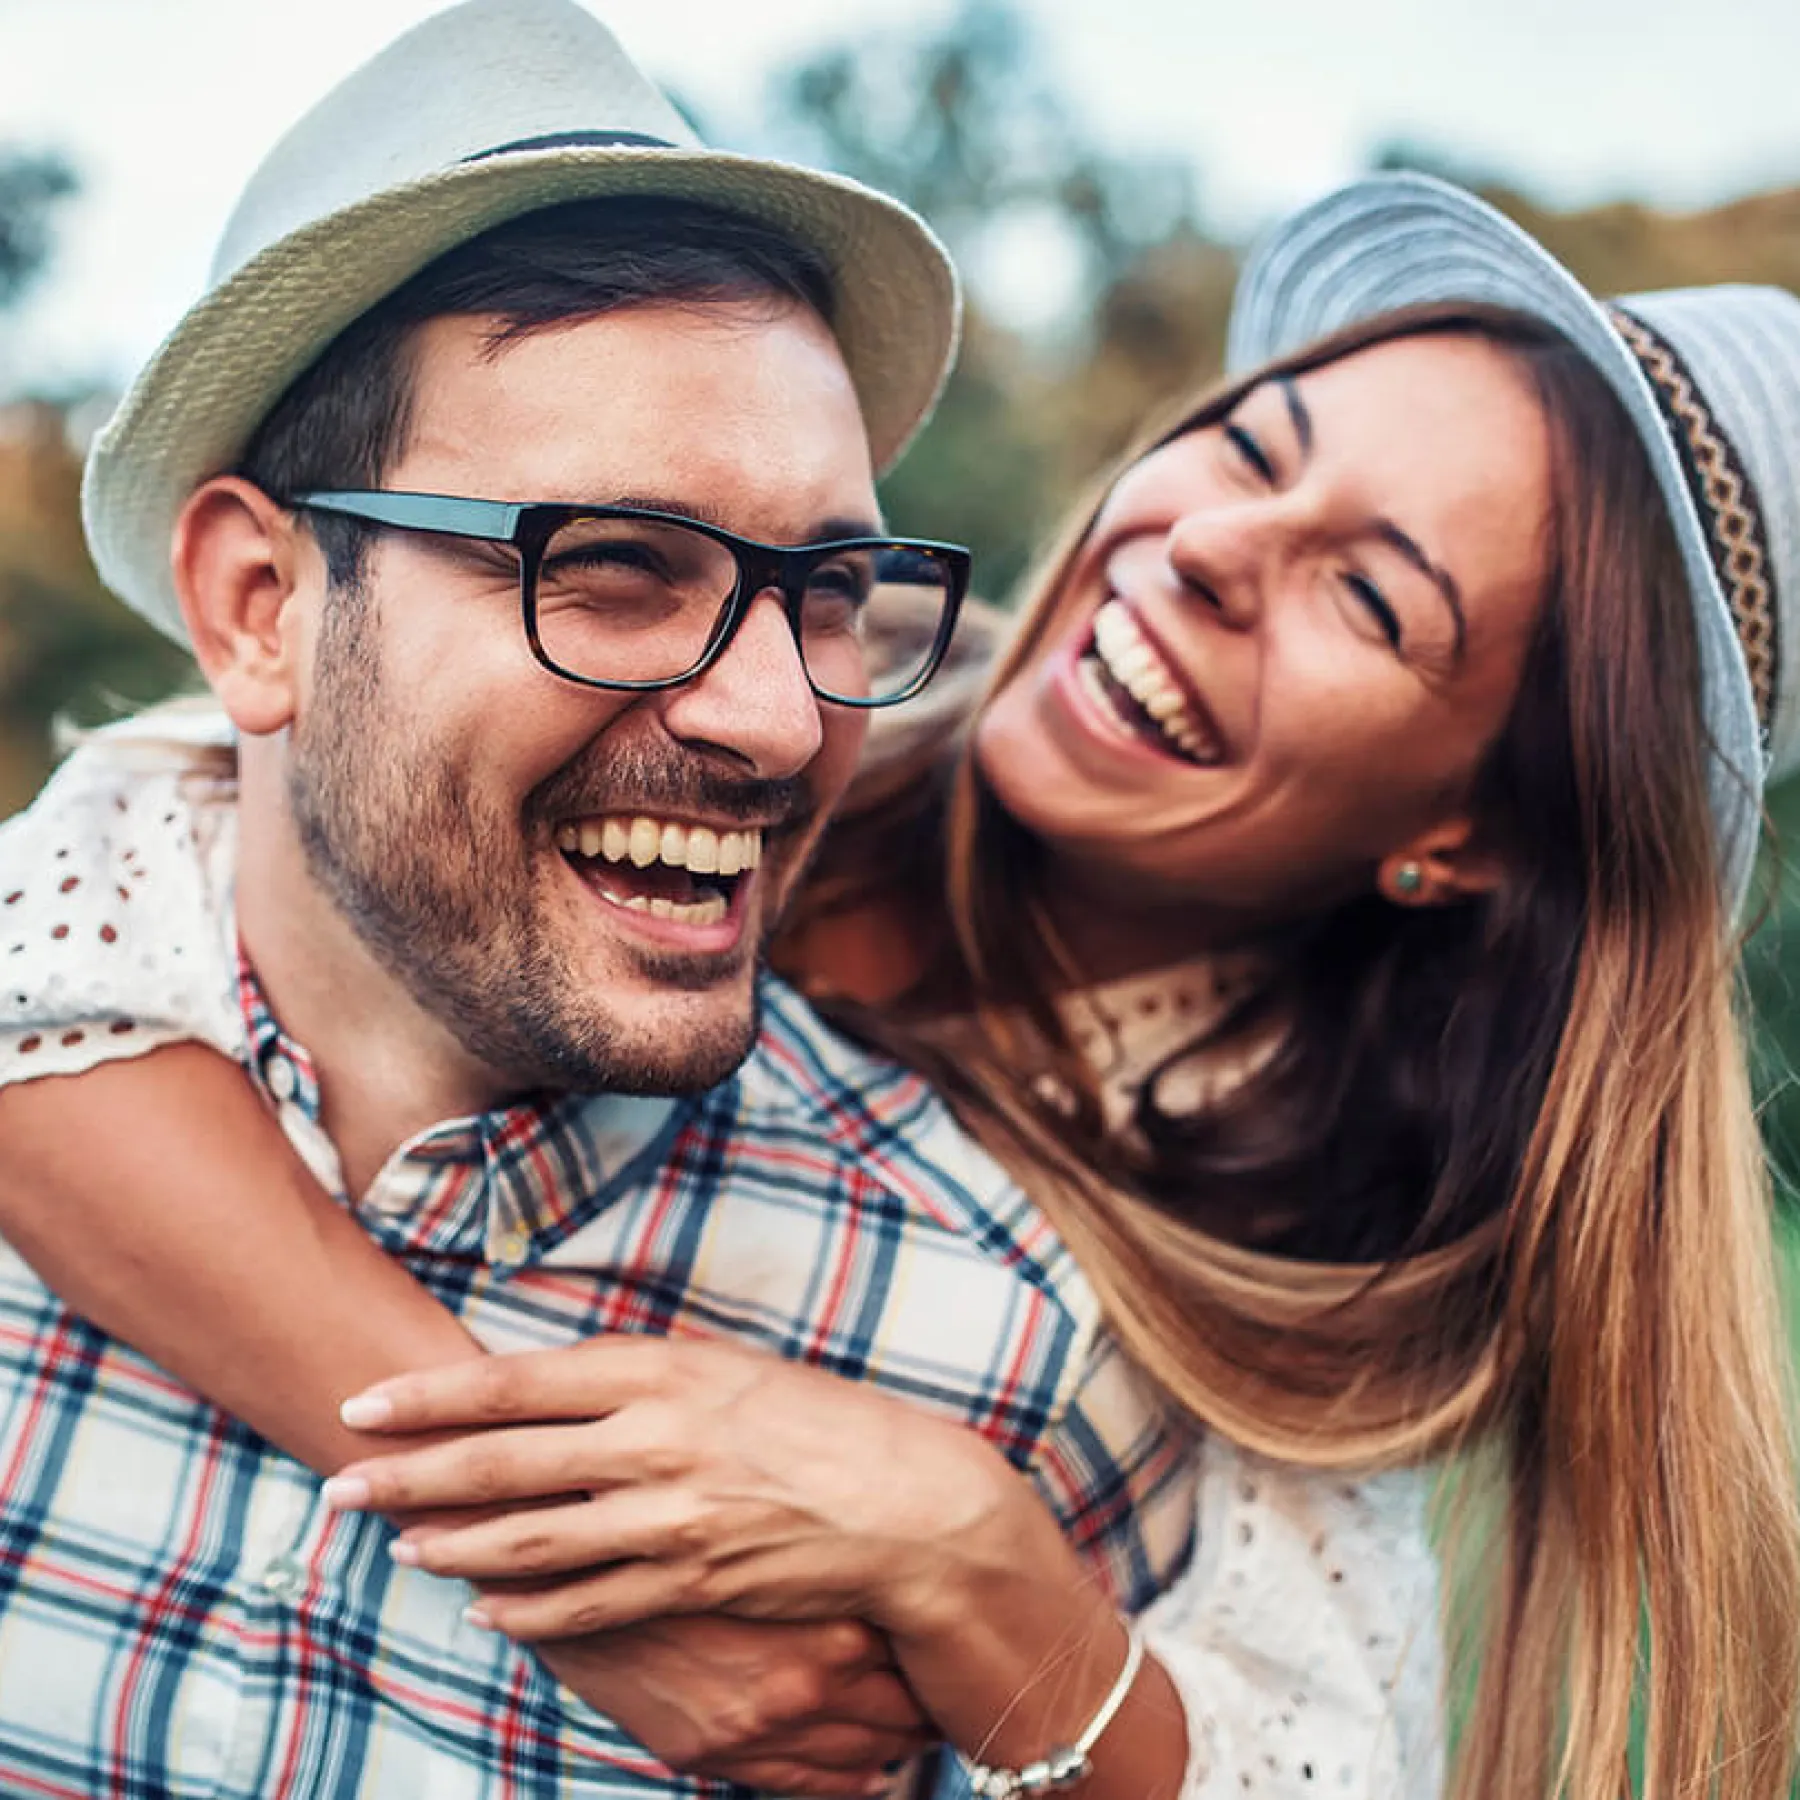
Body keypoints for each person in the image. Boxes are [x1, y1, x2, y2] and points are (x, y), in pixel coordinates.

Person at [2, 109, 1795, 1800]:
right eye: (1247, 449)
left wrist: (978, 1561)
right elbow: (110, 923)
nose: (1211, 549)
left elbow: (1301, 1743)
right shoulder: (783, 686)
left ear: (1464, 835)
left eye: (1374, 598)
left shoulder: (1254, 1282)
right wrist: (558, 1534)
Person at [0, 3, 1202, 1795]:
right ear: (259, 604)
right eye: (615, 568)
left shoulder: (1012, 1359)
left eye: (829, 589)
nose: (783, 718)